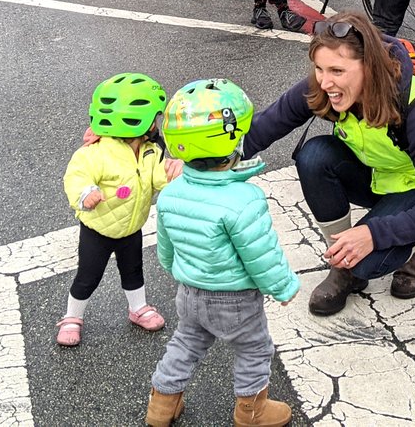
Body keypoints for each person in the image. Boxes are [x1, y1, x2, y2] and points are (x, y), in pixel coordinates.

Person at [243, 11, 415, 316]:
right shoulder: (327, 86)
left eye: (337, 70)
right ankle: (343, 264)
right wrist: (204, 162)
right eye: (319, 68)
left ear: (368, 67)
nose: (325, 82)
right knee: (314, 156)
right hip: (375, 175)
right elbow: (266, 125)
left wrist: (373, 234)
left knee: (368, 262)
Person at [147, 78, 298, 427]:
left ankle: (161, 406)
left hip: (189, 294)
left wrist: (177, 270)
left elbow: (166, 250)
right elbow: (260, 255)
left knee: (186, 343)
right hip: (235, 301)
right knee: (254, 349)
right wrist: (283, 287)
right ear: (234, 142)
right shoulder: (243, 199)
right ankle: (251, 412)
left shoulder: (171, 194)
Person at [57, 73, 181, 347]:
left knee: (133, 271)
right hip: (98, 230)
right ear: (139, 121)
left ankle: (138, 308)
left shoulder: (150, 150)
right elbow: (76, 176)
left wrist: (176, 172)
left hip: (131, 228)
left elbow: (159, 176)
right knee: (88, 276)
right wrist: (86, 193)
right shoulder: (96, 152)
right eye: (155, 117)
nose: (158, 123)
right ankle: (72, 317)